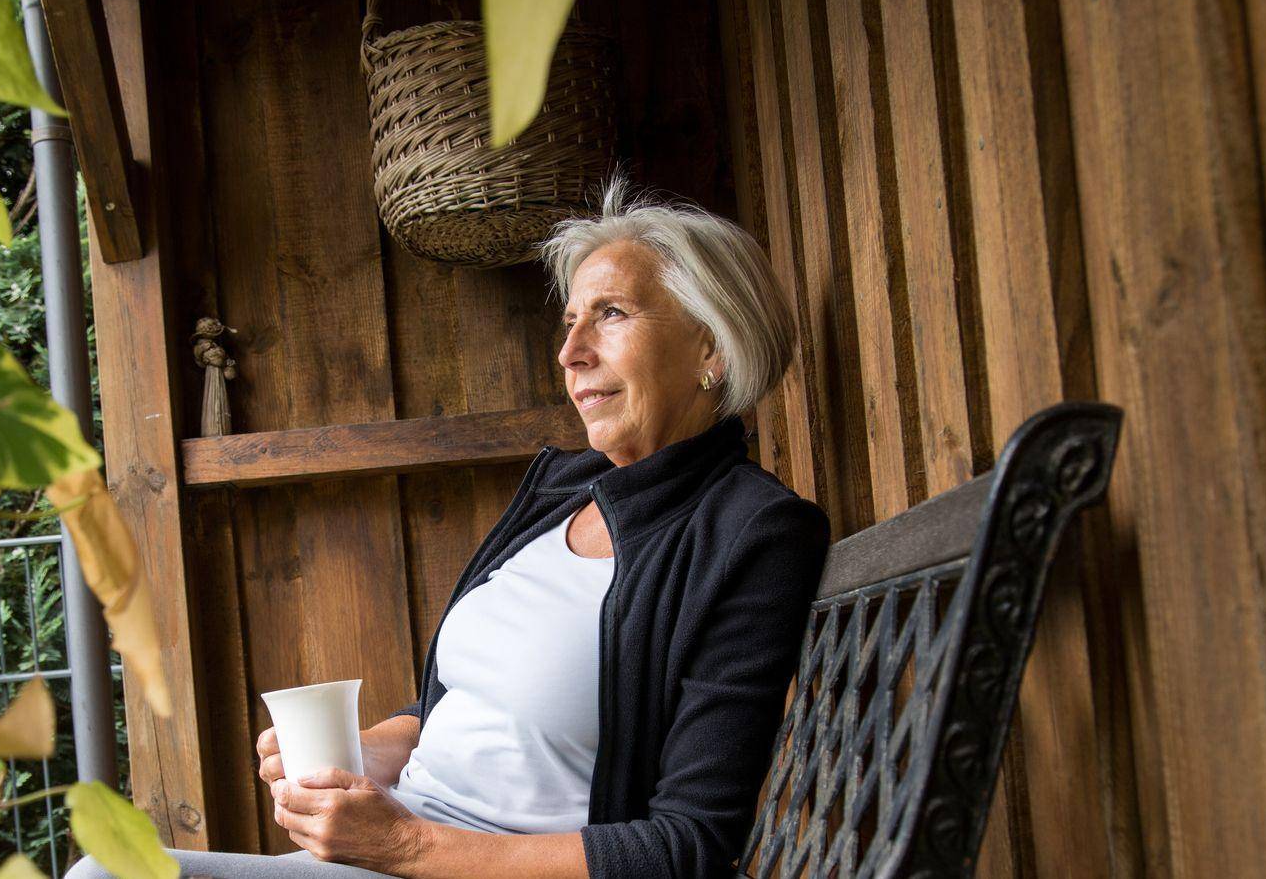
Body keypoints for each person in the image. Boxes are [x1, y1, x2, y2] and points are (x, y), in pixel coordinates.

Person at [67, 176, 830, 879]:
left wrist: (402, 843)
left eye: (612, 314)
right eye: (569, 323)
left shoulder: (752, 534)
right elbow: (462, 709)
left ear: (711, 346)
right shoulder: (561, 495)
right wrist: (368, 754)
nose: (570, 353)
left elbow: (688, 846)